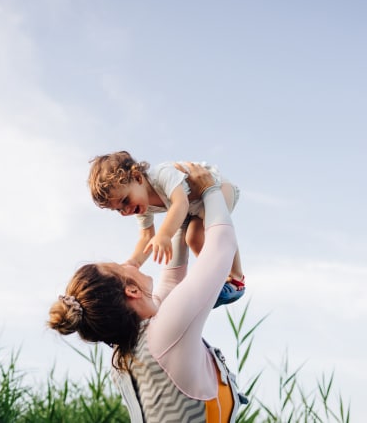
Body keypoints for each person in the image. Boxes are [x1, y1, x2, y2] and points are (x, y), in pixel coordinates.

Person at [49, 163, 247, 422]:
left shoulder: (129, 351)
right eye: (120, 267)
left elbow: (173, 277)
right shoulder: (166, 334)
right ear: (131, 290)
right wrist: (209, 189)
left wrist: (182, 211)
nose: (128, 263)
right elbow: (222, 247)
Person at [87, 150, 245, 308]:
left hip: (217, 187)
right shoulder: (141, 206)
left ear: (137, 177)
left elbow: (180, 203)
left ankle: (236, 279)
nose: (126, 211)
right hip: (195, 206)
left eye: (125, 201)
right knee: (192, 239)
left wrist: (164, 235)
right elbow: (146, 236)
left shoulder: (162, 174)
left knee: (203, 234)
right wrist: (133, 263)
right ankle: (218, 279)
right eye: (119, 209)